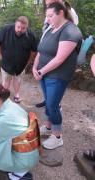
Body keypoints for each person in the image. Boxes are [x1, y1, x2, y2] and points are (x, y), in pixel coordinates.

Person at [32, 2, 82, 149]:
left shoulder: (70, 31)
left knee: (53, 104)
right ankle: (48, 126)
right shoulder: (49, 28)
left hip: (58, 75)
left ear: (61, 13)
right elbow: (40, 50)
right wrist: (35, 67)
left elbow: (60, 58)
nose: (47, 19)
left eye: (50, 16)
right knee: (48, 101)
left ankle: (57, 136)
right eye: (46, 16)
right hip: (44, 73)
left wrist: (41, 71)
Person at [36, 0, 79, 108]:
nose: (48, 6)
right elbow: (47, 29)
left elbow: (67, 32)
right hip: (47, 47)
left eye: (50, 4)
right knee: (49, 97)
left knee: (53, 100)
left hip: (60, 52)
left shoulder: (69, 13)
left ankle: (54, 104)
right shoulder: (50, 13)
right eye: (47, 5)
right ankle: (48, 101)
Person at [0, 16, 37, 103]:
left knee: (17, 80)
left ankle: (17, 94)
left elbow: (33, 51)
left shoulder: (31, 35)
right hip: (6, 63)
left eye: (23, 28)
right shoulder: (5, 30)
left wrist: (28, 61)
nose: (20, 29)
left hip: (21, 64)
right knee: (6, 80)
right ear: (15, 24)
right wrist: (0, 55)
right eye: (18, 27)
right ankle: (4, 96)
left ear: (27, 27)